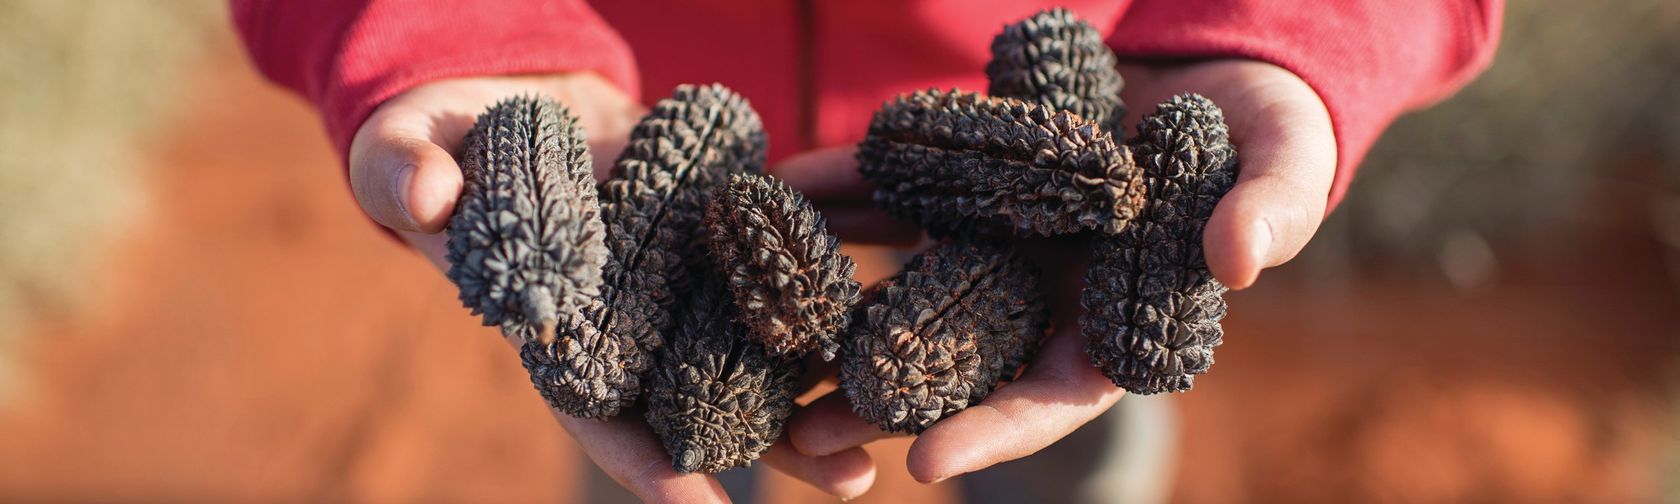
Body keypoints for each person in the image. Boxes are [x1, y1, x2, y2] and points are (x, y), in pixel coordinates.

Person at [232, 1, 1502, 501]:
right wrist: (433, 31)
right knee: (651, 432)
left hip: (1058, 126)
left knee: (1067, 456)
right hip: (626, 152)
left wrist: (1291, 31)